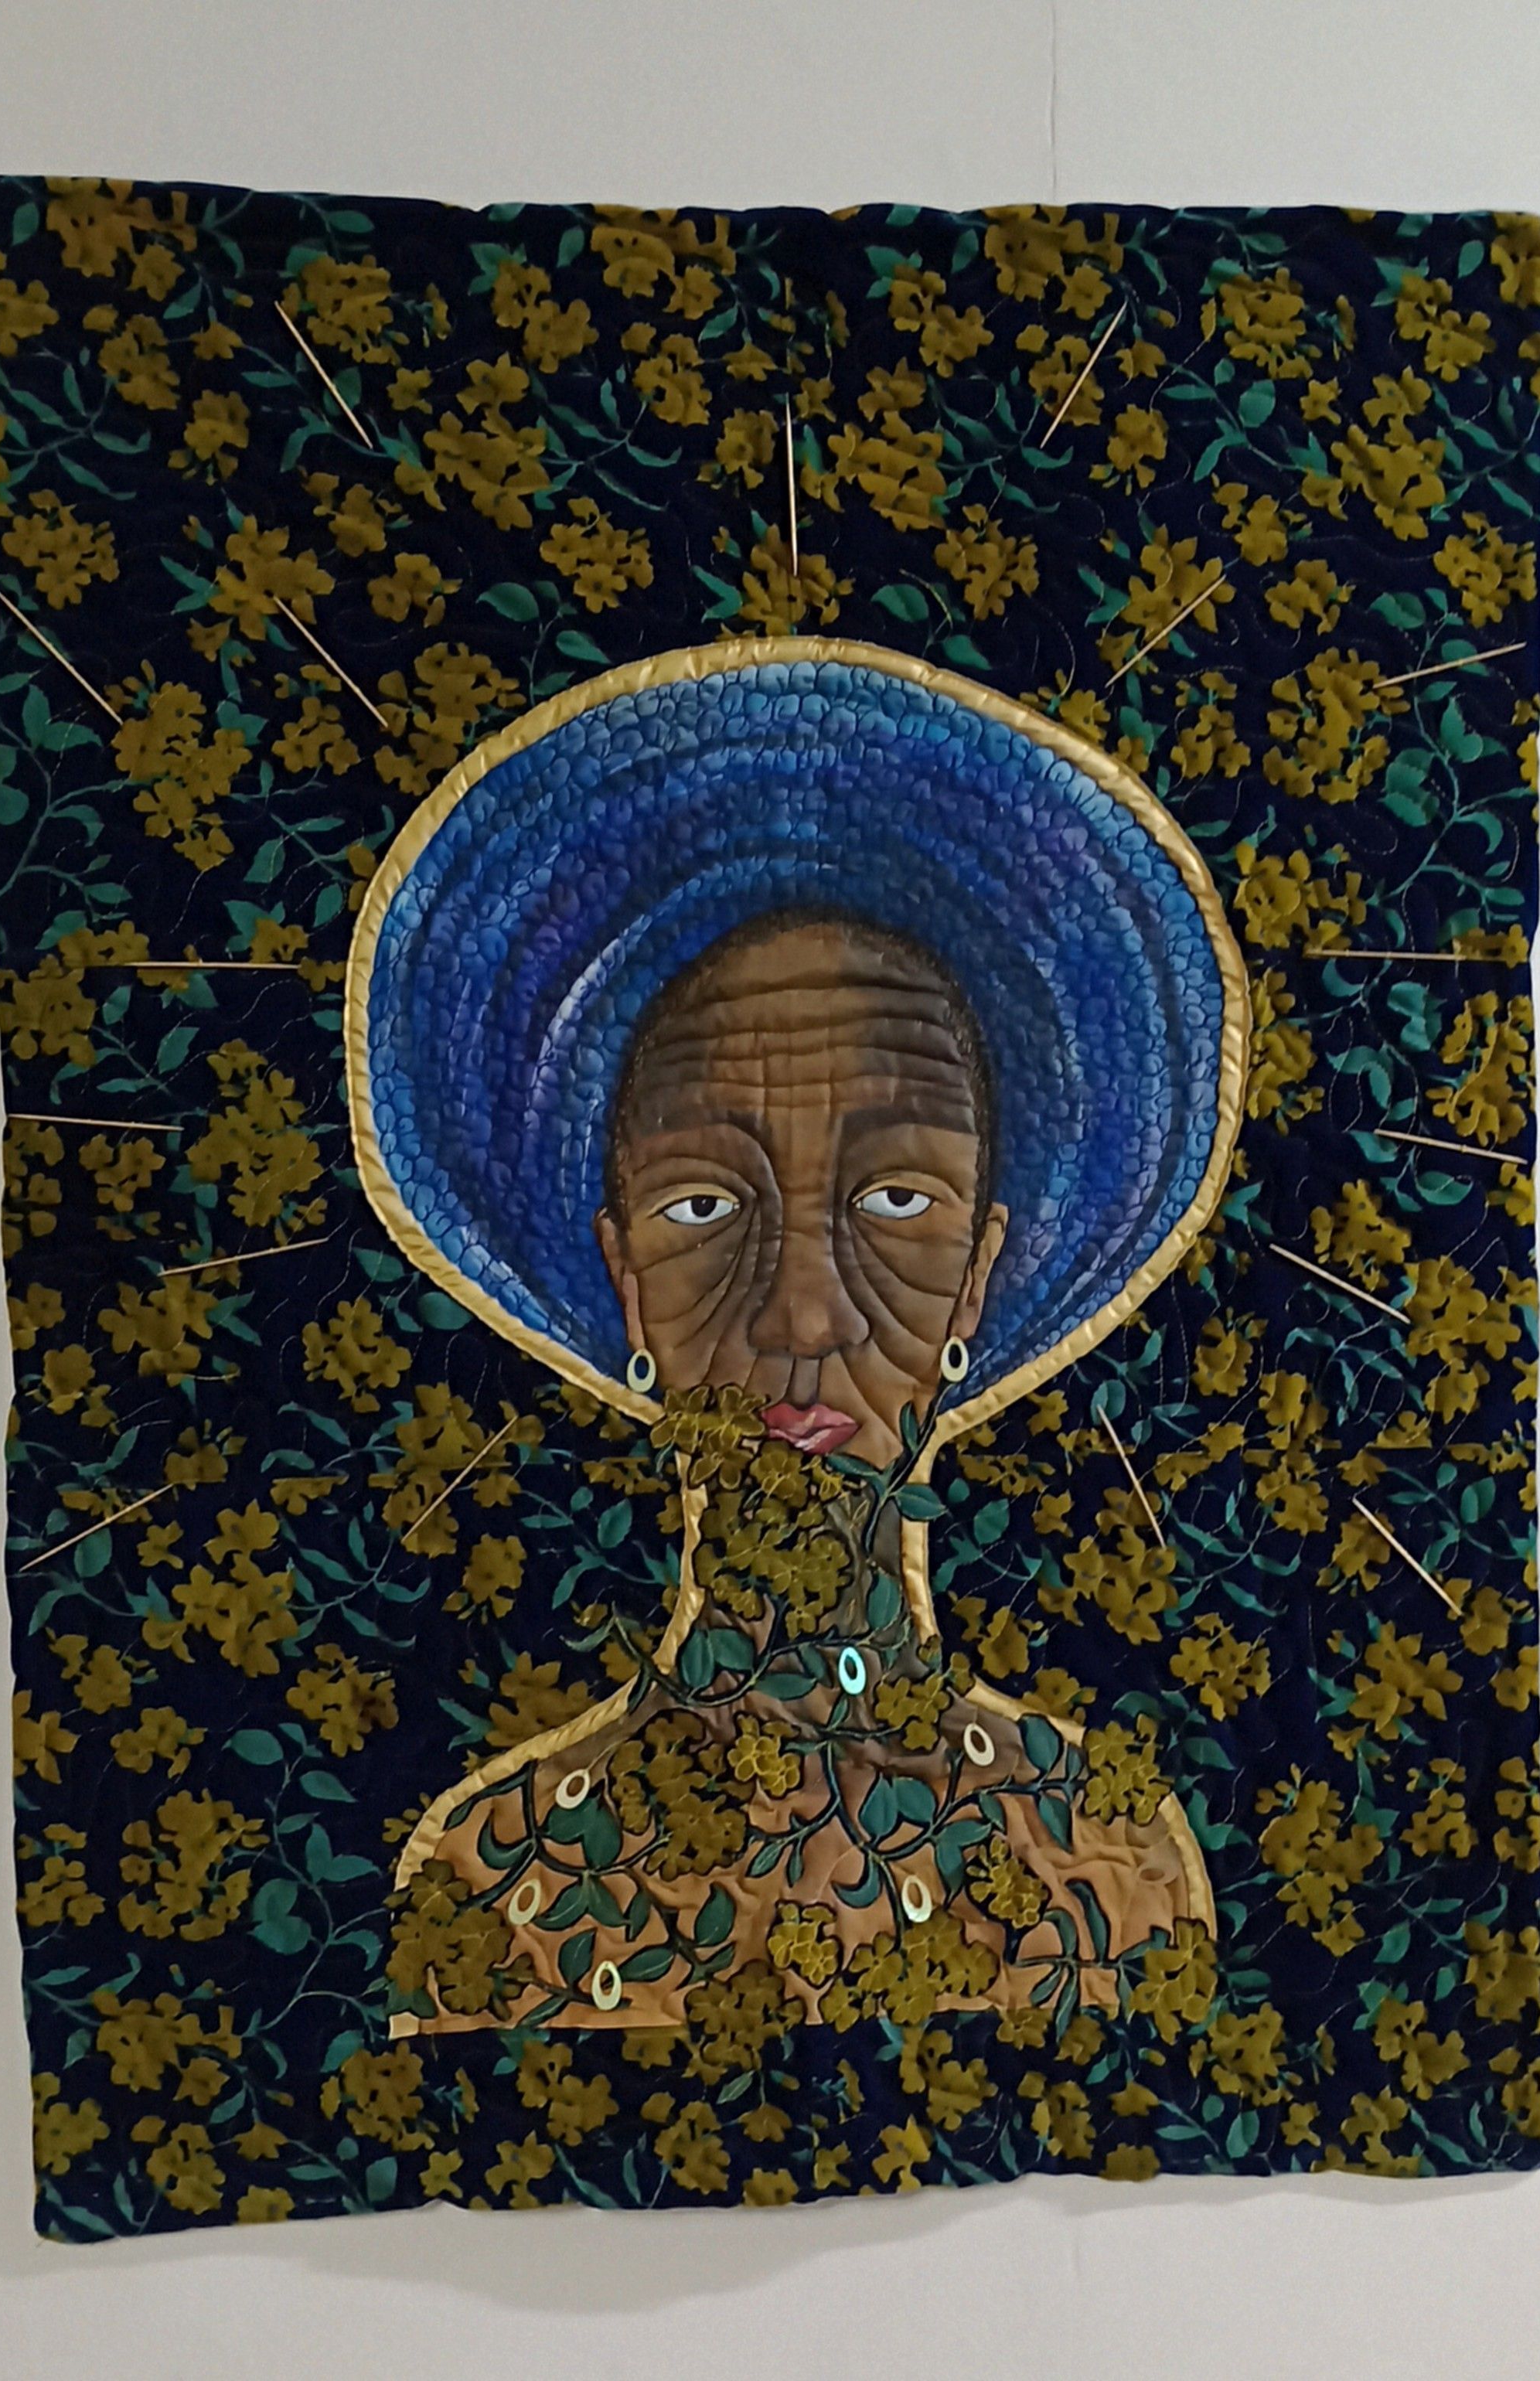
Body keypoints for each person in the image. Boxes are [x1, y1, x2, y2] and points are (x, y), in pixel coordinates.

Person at [349, 642, 1245, 2038]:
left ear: (978, 1280)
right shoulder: (492, 1893)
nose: (804, 1316)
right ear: (624, 1285)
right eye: (704, 1209)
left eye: (896, 1202)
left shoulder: (1105, 1872)